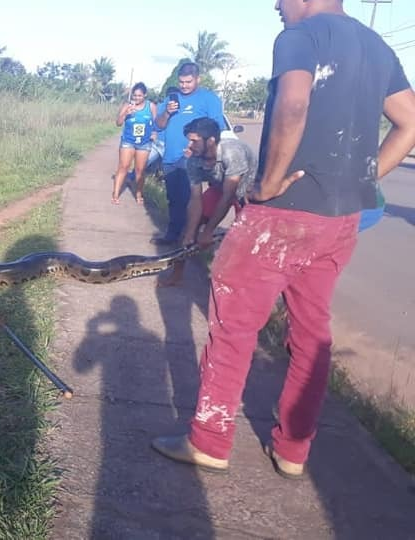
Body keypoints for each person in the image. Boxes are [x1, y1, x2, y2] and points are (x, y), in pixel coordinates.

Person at [152, 0, 415, 478]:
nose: (275, 4)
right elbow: (411, 121)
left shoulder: (301, 37)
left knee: (234, 326)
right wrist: (363, 179)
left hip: (282, 215)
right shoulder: (376, 46)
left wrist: (269, 183)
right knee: (312, 334)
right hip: (339, 220)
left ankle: (209, 440)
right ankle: (294, 451)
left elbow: (294, 103)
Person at [158, 117, 257, 287]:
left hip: (247, 191)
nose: (189, 146)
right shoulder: (193, 161)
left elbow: (229, 195)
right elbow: (195, 198)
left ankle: (240, 284)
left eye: (194, 141)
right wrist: (191, 233)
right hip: (220, 187)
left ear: (211, 141)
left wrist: (208, 231)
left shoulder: (231, 153)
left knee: (246, 241)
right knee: (186, 232)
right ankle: (177, 275)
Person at [153, 64, 225, 245]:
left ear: (198, 79)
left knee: (189, 197)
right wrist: (167, 113)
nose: (184, 85)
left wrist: (204, 154)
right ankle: (173, 234)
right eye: (181, 82)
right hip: (170, 156)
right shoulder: (171, 98)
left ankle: (188, 236)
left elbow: (216, 130)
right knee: (173, 197)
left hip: (192, 158)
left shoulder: (209, 99)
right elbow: (159, 125)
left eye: (188, 82)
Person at [111, 82, 157, 204]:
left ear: (145, 95)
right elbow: (118, 123)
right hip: (128, 141)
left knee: (140, 170)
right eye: (134, 96)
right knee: (123, 167)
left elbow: (156, 123)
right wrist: (126, 114)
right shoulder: (127, 106)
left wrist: (154, 133)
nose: (136, 98)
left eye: (139, 96)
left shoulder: (151, 106)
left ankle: (139, 193)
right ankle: (115, 194)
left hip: (144, 143)